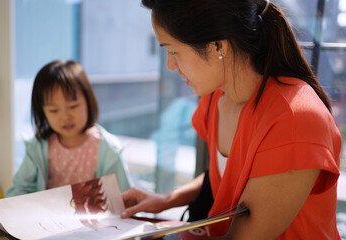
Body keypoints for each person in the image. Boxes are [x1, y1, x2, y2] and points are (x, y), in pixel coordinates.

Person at [121, 0, 342, 239]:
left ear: (218, 47)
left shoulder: (295, 118)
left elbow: (246, 234)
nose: (170, 65)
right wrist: (166, 200)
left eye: (173, 51)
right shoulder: (215, 99)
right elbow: (229, 178)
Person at [6, 60, 131, 197]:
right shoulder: (38, 147)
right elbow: (21, 189)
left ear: (88, 101)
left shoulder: (108, 149)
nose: (65, 117)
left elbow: (124, 197)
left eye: (73, 106)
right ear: (43, 112)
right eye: (53, 110)